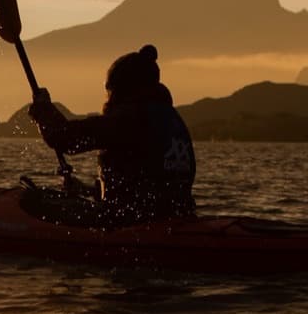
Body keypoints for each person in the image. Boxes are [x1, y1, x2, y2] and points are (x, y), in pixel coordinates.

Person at [27, 45, 196, 220]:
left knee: (34, 202)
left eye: (110, 91)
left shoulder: (131, 118)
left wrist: (43, 109)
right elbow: (144, 184)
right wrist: (86, 190)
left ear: (122, 89)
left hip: (133, 223)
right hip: (176, 218)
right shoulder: (173, 120)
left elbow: (65, 138)